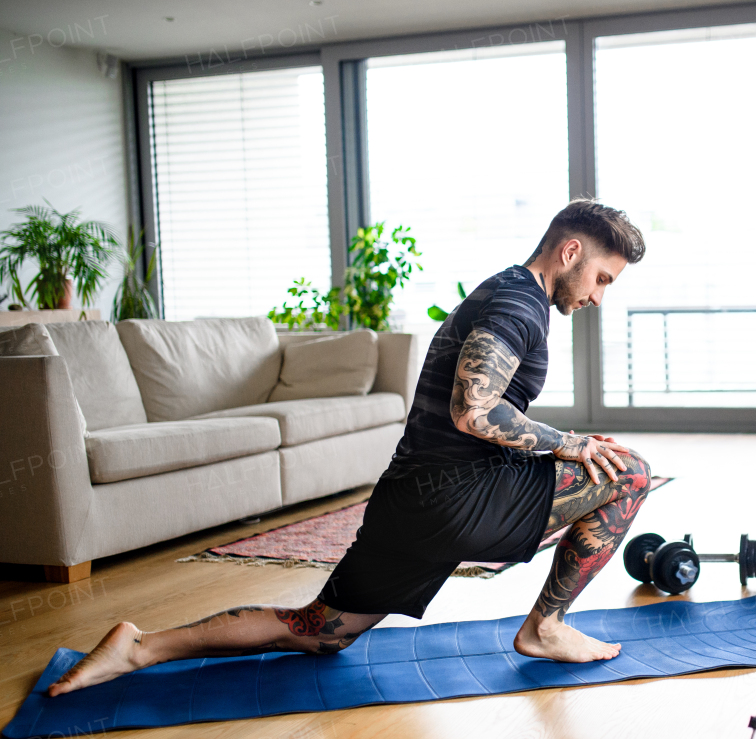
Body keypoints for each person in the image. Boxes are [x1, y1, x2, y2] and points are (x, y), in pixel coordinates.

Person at [48, 200, 651, 697]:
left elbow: (478, 408)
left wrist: (557, 448)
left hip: (407, 502)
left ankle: (139, 647)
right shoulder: (519, 305)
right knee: (629, 476)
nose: (599, 296)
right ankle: (545, 625)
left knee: (319, 629)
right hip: (453, 497)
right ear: (570, 251)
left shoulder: (508, 294)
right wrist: (569, 444)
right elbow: (475, 411)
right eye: (602, 278)